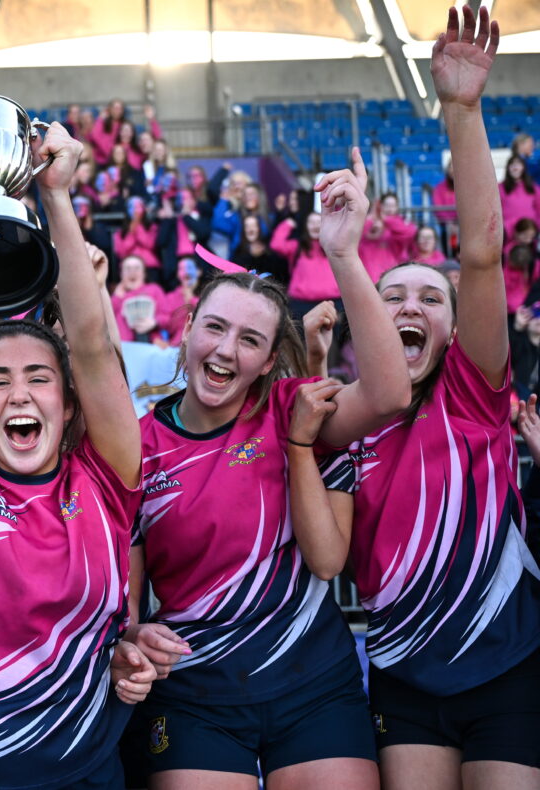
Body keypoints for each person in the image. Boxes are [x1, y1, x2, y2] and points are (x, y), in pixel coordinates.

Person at [118, 144, 411, 790]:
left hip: (313, 683)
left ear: (269, 359)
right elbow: (128, 605)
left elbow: (389, 393)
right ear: (187, 327)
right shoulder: (138, 445)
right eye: (215, 328)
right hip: (195, 690)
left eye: (250, 340)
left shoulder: (289, 409)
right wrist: (134, 636)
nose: (227, 350)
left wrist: (343, 254)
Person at [0, 111, 149, 788]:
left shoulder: (106, 479)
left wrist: (58, 194)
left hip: (85, 769)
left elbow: (92, 348)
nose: (19, 394)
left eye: (39, 377)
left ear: (68, 404)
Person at [342, 10, 540, 788]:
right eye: (392, 295)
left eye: (431, 297)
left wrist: (461, 111)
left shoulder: (474, 391)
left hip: (507, 665)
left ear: (456, 329)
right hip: (402, 674)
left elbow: (483, 254)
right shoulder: (340, 415)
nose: (411, 306)